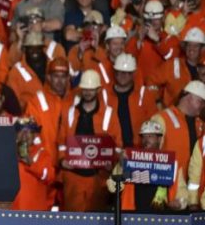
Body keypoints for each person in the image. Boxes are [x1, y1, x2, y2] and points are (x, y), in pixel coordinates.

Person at [58, 70, 123, 212]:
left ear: (98, 90)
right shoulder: (70, 112)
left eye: (91, 89)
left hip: (98, 177)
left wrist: (112, 162)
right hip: (73, 177)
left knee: (96, 219)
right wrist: (62, 160)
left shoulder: (109, 114)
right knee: (73, 219)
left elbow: (118, 145)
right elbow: (62, 141)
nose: (87, 92)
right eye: (85, 89)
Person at [108, 121, 186, 212]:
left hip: (162, 217)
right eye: (143, 136)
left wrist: (179, 203)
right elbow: (112, 187)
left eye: (150, 136)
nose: (145, 140)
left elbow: (182, 192)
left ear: (159, 139)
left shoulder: (171, 163)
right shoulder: (130, 160)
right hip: (132, 216)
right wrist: (121, 166)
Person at [11, 117, 55, 211]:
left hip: (34, 212)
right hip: (12, 211)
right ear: (15, 134)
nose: (24, 135)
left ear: (35, 135)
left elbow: (49, 177)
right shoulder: (7, 153)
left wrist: (31, 163)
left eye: (29, 132)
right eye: (21, 131)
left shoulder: (42, 153)